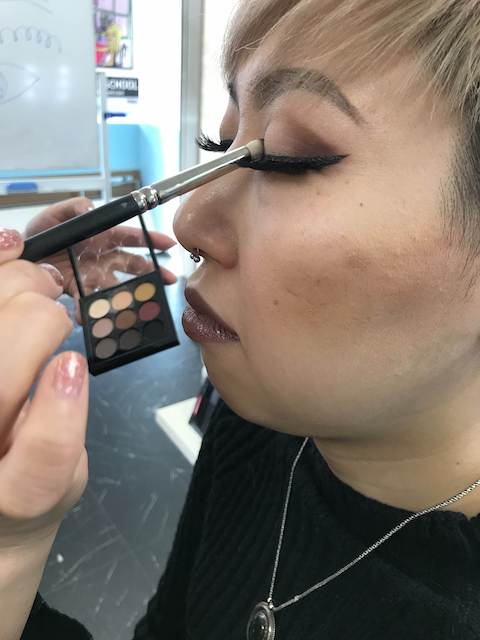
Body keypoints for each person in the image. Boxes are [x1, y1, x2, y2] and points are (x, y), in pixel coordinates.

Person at [3, 0, 480, 637]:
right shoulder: (258, 428)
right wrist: (13, 553)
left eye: (284, 159)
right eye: (220, 144)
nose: (188, 222)